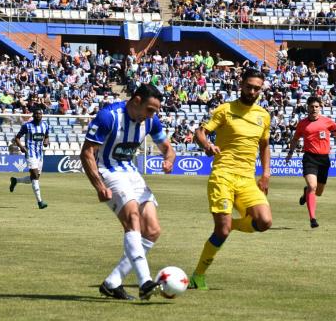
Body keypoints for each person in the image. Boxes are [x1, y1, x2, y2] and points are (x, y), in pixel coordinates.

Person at [80, 84, 176, 301]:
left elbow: (168, 148)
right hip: (108, 170)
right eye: (150, 109)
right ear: (136, 100)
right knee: (132, 217)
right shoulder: (109, 117)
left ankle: (112, 283)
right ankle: (145, 282)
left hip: (130, 172)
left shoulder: (150, 121)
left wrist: (168, 160)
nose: (152, 115)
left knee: (152, 230)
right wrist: (99, 186)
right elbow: (87, 153)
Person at [187, 69, 273, 291]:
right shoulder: (225, 110)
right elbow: (200, 132)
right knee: (221, 231)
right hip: (222, 175)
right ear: (241, 85)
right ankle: (199, 275)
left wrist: (265, 174)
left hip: (247, 178)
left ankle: (231, 226)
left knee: (264, 222)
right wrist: (207, 145)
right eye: (249, 86)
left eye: (257, 88)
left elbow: (264, 146)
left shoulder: (263, 115)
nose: (252, 91)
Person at [285, 96, 336, 228]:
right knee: (313, 187)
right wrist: (290, 153)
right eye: (311, 106)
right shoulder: (302, 124)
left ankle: (305, 191)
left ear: (320, 107)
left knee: (318, 192)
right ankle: (312, 218)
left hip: (324, 160)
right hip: (309, 158)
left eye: (316, 107)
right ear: (307, 107)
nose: (314, 109)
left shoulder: (328, 122)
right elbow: (295, 139)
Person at [9, 108, 50, 209]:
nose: (38, 115)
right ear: (33, 115)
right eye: (36, 113)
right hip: (30, 153)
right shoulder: (27, 126)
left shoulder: (45, 125)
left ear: (42, 115)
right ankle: (40, 202)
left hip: (40, 154)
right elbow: (17, 138)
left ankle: (16, 181)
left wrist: (46, 141)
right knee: (35, 176)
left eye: (39, 113)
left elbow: (47, 136)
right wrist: (21, 147)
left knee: (34, 178)